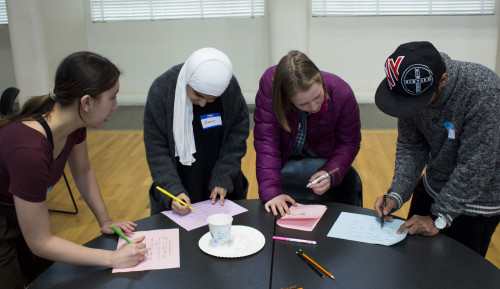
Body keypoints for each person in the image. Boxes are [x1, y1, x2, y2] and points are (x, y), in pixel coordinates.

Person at [0, 52, 148, 289]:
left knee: (46, 278)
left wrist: (105, 220)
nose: (116, 106)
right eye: (112, 97)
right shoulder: (29, 151)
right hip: (5, 215)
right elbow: (40, 242)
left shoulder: (75, 125)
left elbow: (83, 172)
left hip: (19, 209)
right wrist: (112, 258)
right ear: (86, 102)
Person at [374, 41, 500, 257]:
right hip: (433, 186)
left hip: (477, 203)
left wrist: (439, 218)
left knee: (456, 276)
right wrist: (397, 193)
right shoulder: (410, 86)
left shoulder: (483, 92)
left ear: (443, 80)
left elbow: (476, 166)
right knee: (412, 264)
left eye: (418, 103)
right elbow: (411, 146)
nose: (412, 110)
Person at [254, 50, 361, 216]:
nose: (313, 107)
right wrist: (272, 191)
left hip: (324, 158)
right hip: (284, 160)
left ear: (320, 79)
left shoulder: (341, 92)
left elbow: (349, 142)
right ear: (286, 98)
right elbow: (267, 141)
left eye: (318, 97)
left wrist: (330, 172)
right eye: (303, 104)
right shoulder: (270, 86)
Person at [144, 47, 249, 216]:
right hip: (180, 180)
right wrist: (173, 190)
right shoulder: (161, 90)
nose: (202, 104)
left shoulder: (229, 89)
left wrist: (224, 176)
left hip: (219, 183)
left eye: (211, 99)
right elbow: (157, 150)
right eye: (198, 95)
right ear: (187, 80)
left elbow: (237, 135)